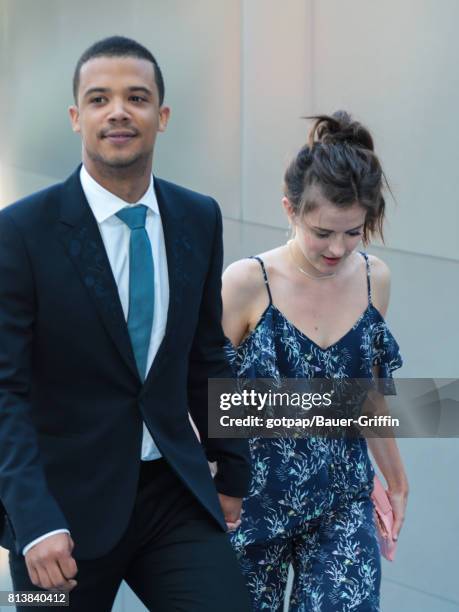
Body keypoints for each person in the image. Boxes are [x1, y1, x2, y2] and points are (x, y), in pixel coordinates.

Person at [0, 35, 251, 611]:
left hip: (171, 492)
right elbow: (5, 391)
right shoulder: (20, 233)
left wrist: (232, 469)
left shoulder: (197, 216)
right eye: (99, 99)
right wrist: (32, 520)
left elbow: (206, 355)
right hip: (56, 514)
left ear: (161, 117)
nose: (118, 111)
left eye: (136, 97)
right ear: (75, 117)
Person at [222, 112, 409, 611]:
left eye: (354, 232)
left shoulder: (375, 279)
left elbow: (368, 395)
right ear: (290, 209)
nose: (338, 248)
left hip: (342, 501)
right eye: (323, 231)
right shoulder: (246, 283)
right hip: (250, 502)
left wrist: (395, 479)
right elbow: (201, 397)